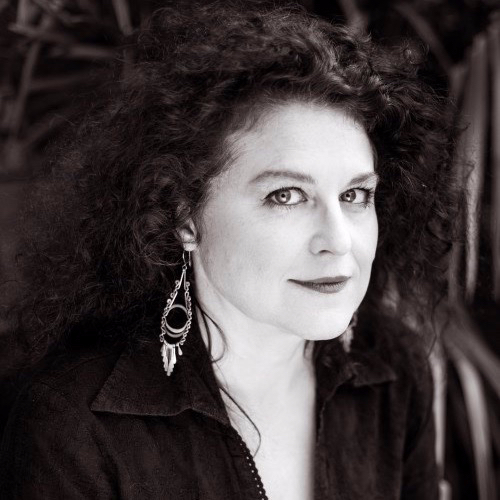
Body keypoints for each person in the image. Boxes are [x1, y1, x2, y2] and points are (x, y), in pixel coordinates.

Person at [0, 1, 460, 499]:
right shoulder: (75, 427)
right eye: (286, 195)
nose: (339, 241)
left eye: (355, 195)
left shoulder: (392, 369)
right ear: (183, 216)